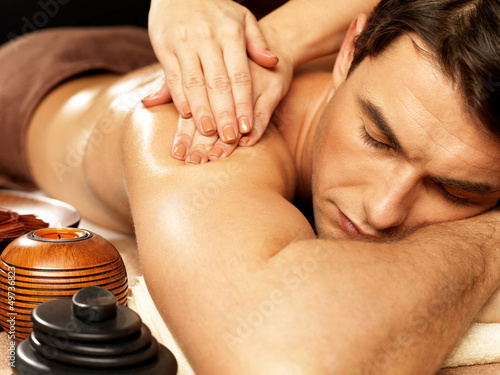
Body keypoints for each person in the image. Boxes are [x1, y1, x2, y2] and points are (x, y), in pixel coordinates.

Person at [1, 0, 499, 374]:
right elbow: (282, 361)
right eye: (377, 138)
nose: (384, 209)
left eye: (456, 191)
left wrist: (288, 34)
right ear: (349, 53)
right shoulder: (202, 131)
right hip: (37, 88)